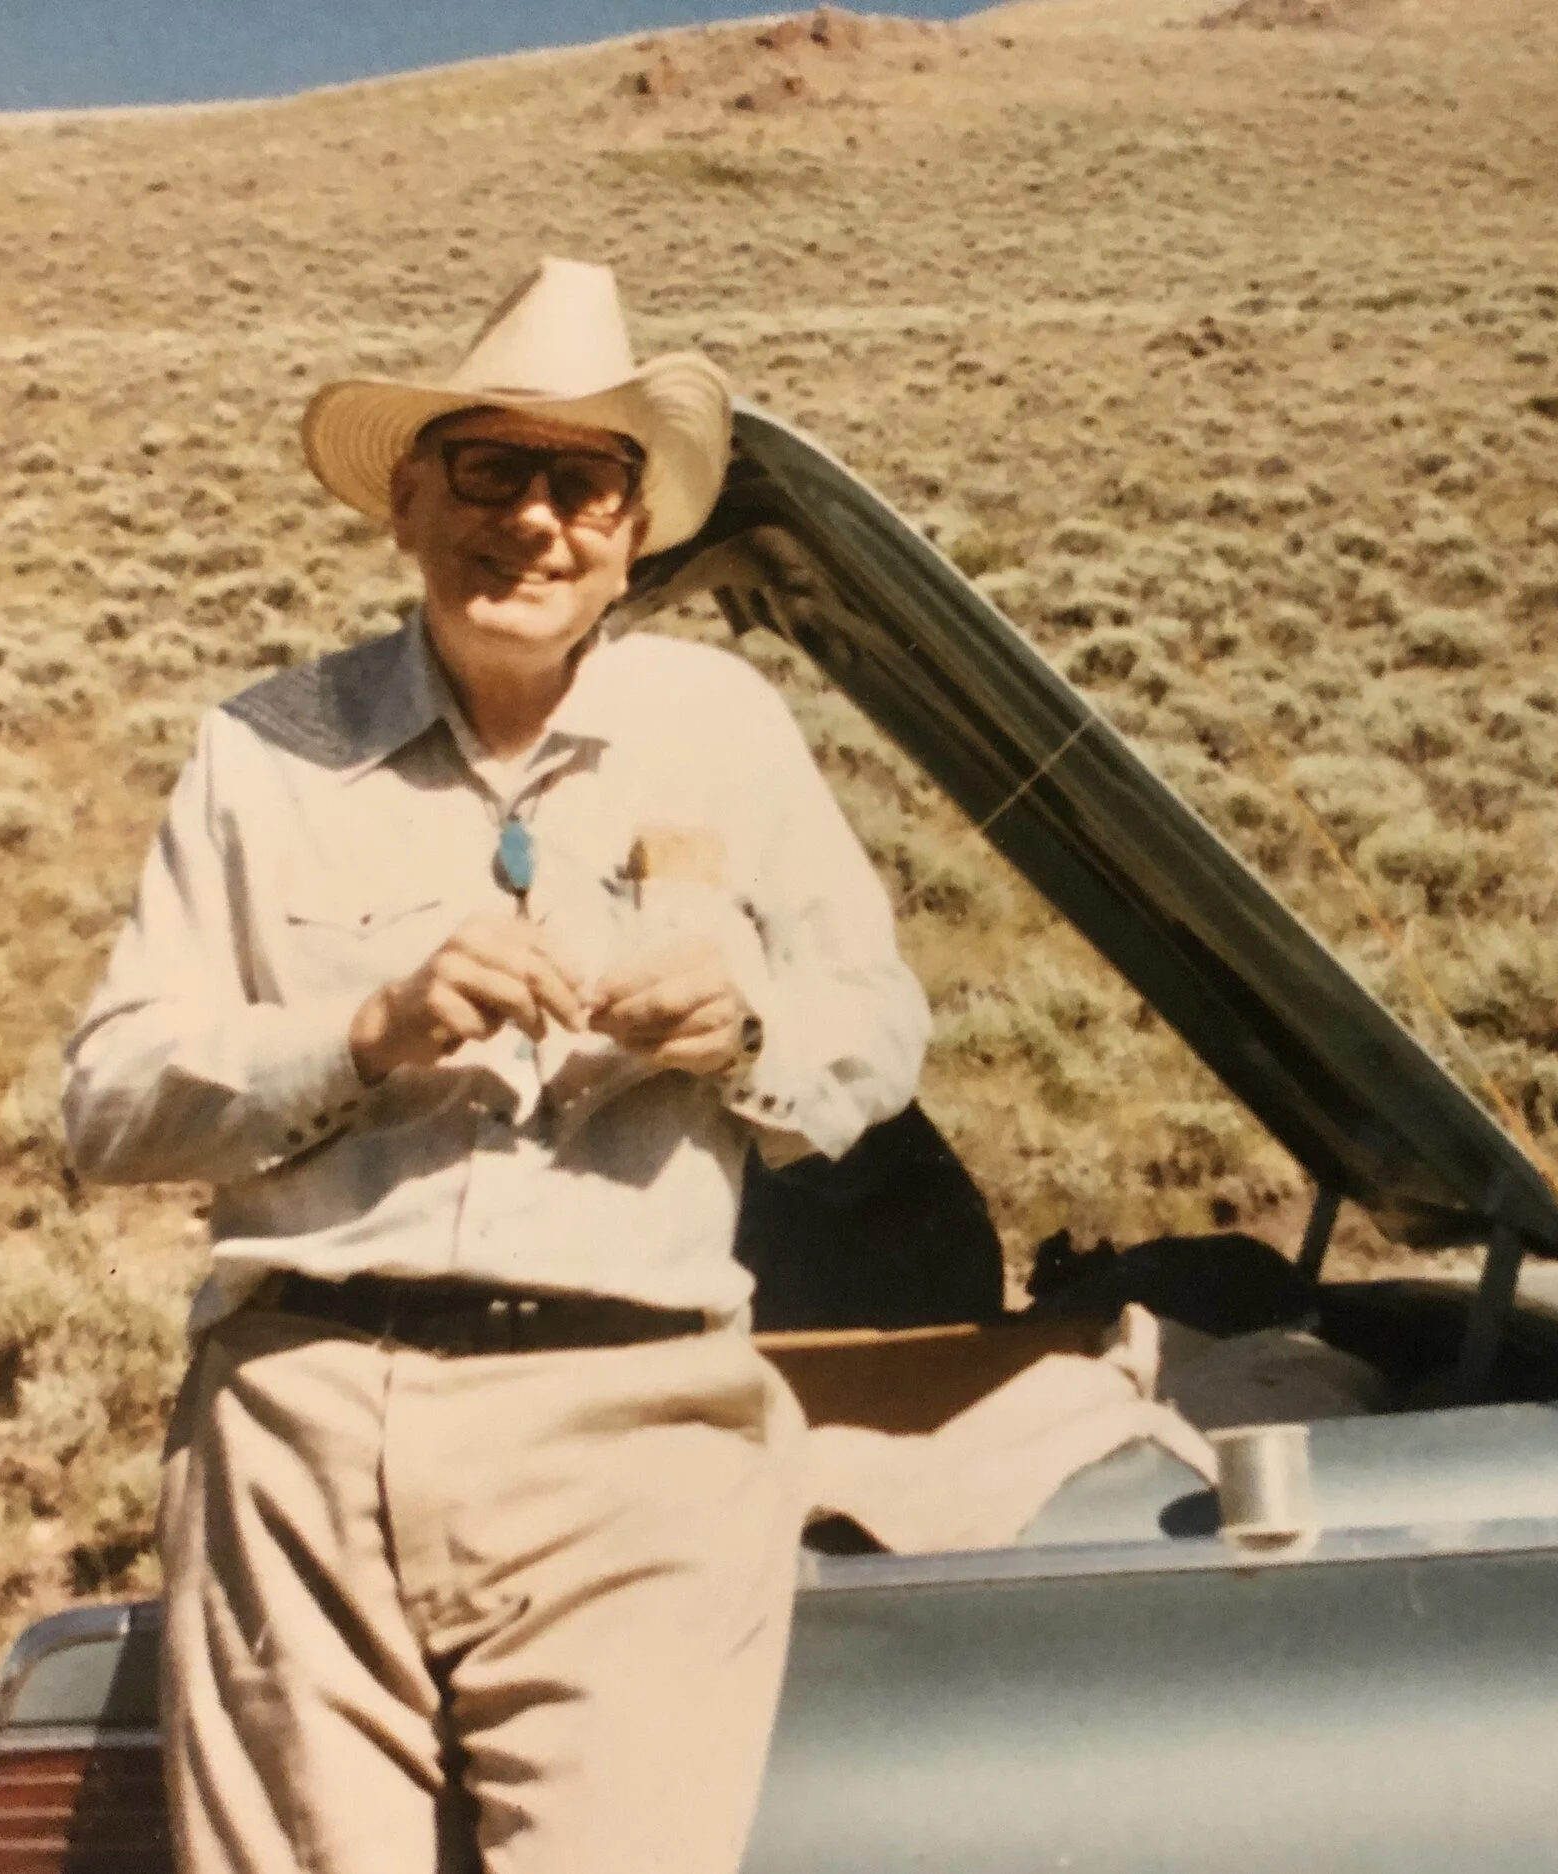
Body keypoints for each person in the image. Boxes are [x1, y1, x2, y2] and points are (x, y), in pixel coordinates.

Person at [62, 256, 930, 1874]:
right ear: (407, 499)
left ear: (631, 531)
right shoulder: (266, 751)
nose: (533, 519)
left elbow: (877, 1022)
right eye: (489, 469)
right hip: (303, 1430)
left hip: (639, 1425)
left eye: (581, 482)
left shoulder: (727, 727)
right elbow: (107, 1097)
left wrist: (743, 1035)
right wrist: (366, 1032)